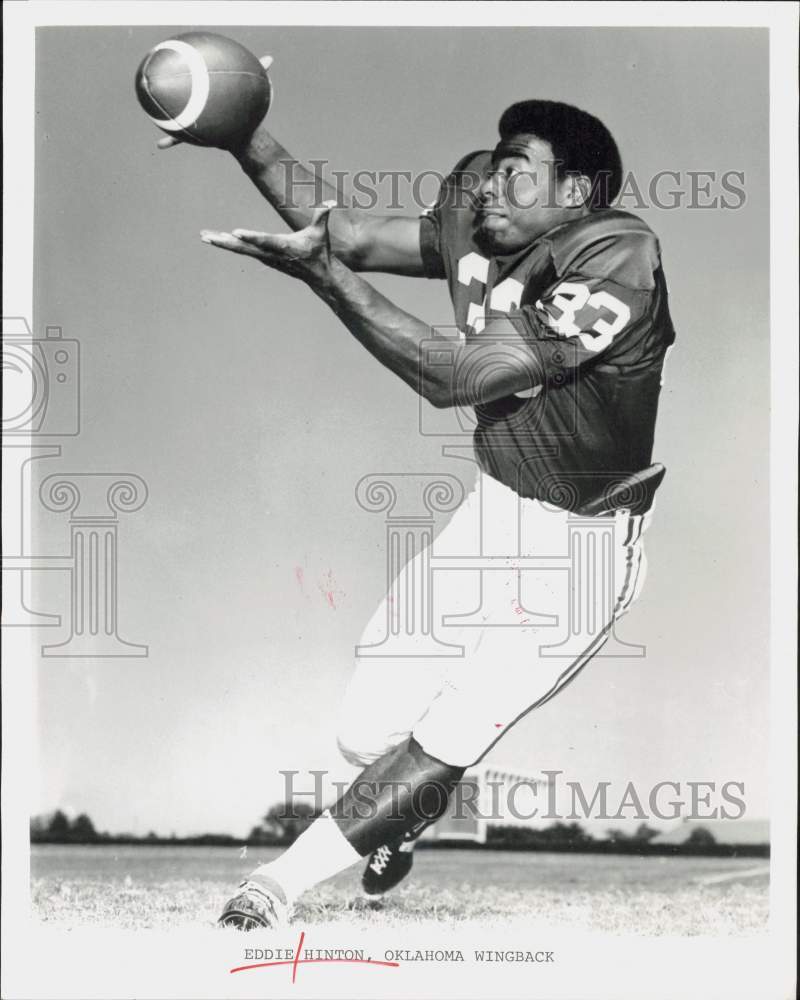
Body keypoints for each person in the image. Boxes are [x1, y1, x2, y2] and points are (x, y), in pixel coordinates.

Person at [159, 81, 675, 929]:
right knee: (365, 731)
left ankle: (275, 887)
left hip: (581, 545)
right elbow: (353, 236)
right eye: (492, 168)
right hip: (495, 505)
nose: (486, 187)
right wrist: (243, 135)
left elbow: (457, 377)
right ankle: (403, 820)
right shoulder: (483, 213)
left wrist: (323, 281)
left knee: (449, 733)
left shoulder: (616, 252)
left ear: (575, 193)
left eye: (516, 171)